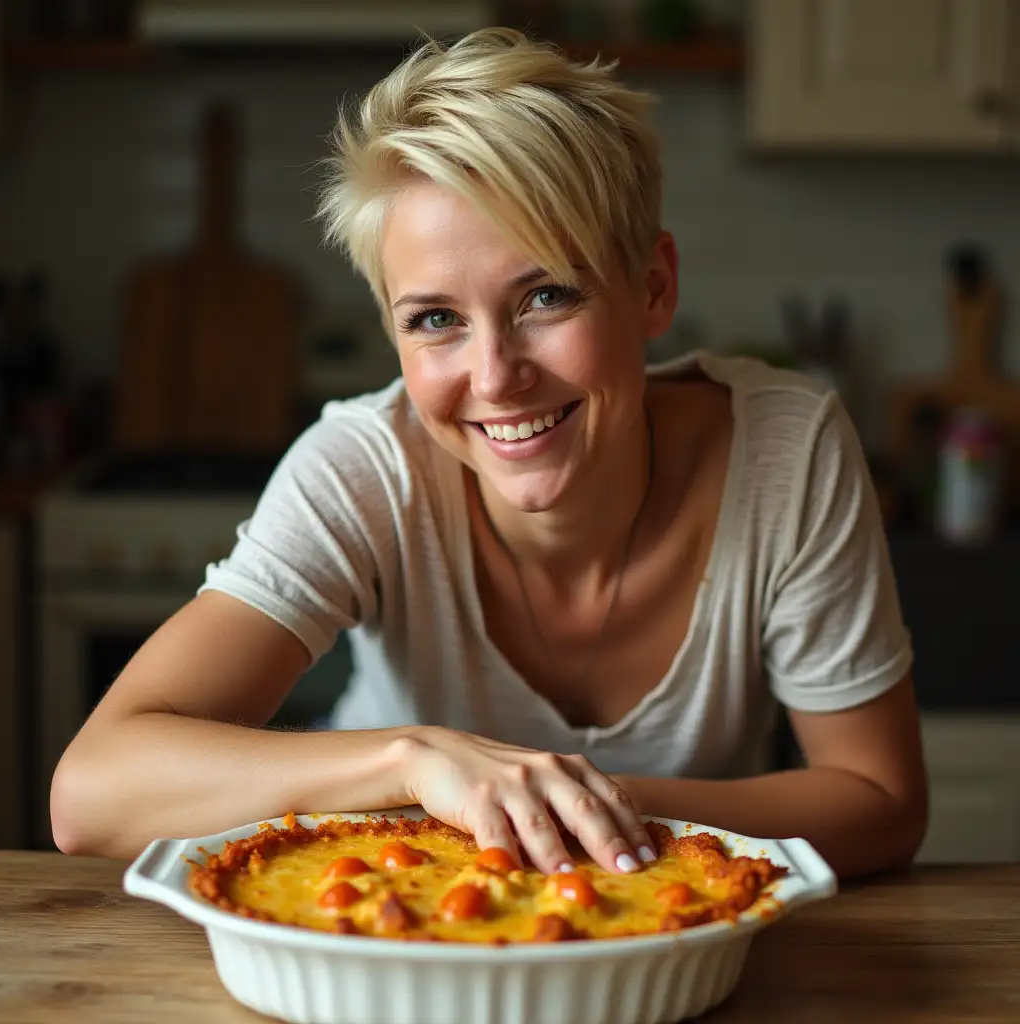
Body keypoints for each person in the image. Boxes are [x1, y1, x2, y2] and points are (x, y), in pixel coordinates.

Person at [50, 28, 927, 879]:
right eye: (436, 319)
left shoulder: (788, 450)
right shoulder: (364, 469)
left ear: (652, 288)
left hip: (675, 936)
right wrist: (415, 762)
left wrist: (566, 800)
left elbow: (881, 800)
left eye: (546, 295)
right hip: (390, 924)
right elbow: (91, 796)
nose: (496, 378)